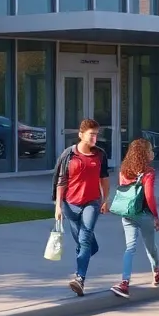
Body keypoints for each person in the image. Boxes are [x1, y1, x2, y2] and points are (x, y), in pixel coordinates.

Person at [52, 118, 110, 296]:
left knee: (84, 238)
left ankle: (79, 279)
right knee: (84, 243)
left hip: (92, 202)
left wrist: (105, 200)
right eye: (91, 134)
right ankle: (90, 251)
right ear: (81, 135)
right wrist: (58, 206)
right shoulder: (69, 155)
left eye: (96, 134)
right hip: (70, 204)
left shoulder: (100, 154)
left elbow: (104, 179)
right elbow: (61, 181)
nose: (94, 138)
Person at [110, 137, 159, 298]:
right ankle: (157, 271)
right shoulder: (149, 173)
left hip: (127, 214)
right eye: (150, 150)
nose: (152, 153)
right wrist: (156, 216)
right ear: (143, 154)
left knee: (130, 248)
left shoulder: (124, 170)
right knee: (150, 247)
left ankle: (124, 282)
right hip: (144, 214)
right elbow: (149, 196)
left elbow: (123, 190)